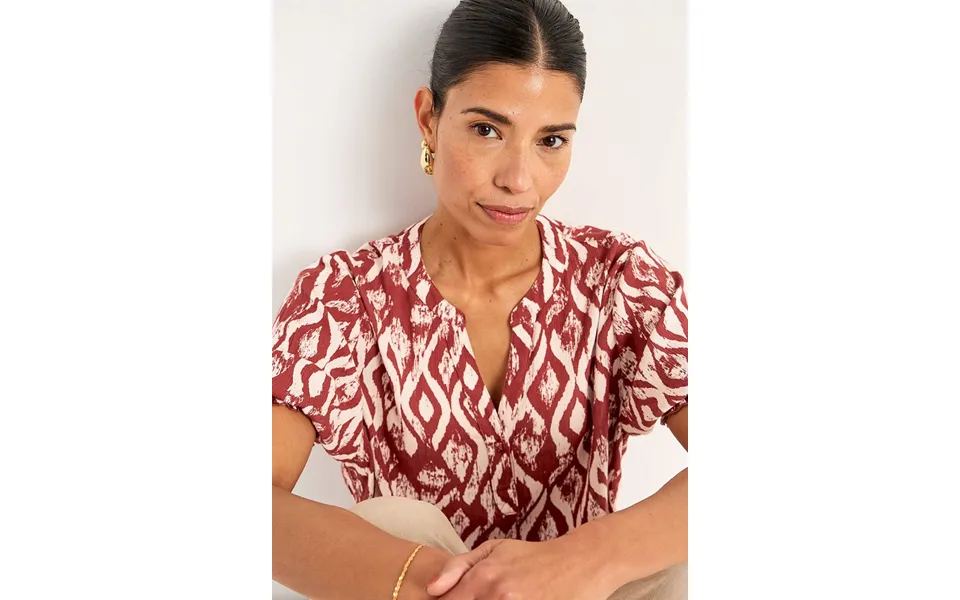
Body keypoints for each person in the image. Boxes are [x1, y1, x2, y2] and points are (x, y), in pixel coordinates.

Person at [272, 0, 688, 598]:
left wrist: (582, 561)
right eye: (487, 130)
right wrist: (455, 585)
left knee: (678, 561)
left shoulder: (620, 284)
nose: (518, 179)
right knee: (395, 522)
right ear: (428, 120)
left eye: (551, 140)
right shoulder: (345, 299)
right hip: (421, 595)